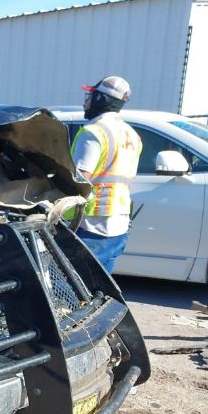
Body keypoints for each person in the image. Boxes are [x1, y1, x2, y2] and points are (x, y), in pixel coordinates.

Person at [66, 75, 142, 273]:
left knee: (72, 288)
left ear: (101, 99)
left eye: (89, 95)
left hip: (91, 225)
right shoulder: (131, 134)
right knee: (100, 291)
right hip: (119, 224)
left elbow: (80, 181)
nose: (85, 101)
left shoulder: (93, 132)